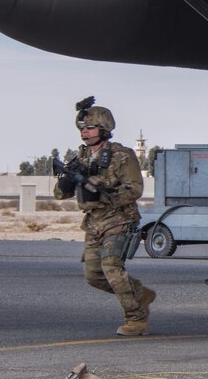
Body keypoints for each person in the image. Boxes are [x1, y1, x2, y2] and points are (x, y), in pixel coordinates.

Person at [54, 97, 155, 336]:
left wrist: (102, 191)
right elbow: (59, 193)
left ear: (104, 129)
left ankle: (136, 319)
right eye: (83, 128)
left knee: (111, 267)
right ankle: (139, 294)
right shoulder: (81, 158)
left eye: (90, 128)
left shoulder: (122, 155)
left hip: (119, 219)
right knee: (94, 276)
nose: (85, 133)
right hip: (94, 223)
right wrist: (68, 181)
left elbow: (135, 189)